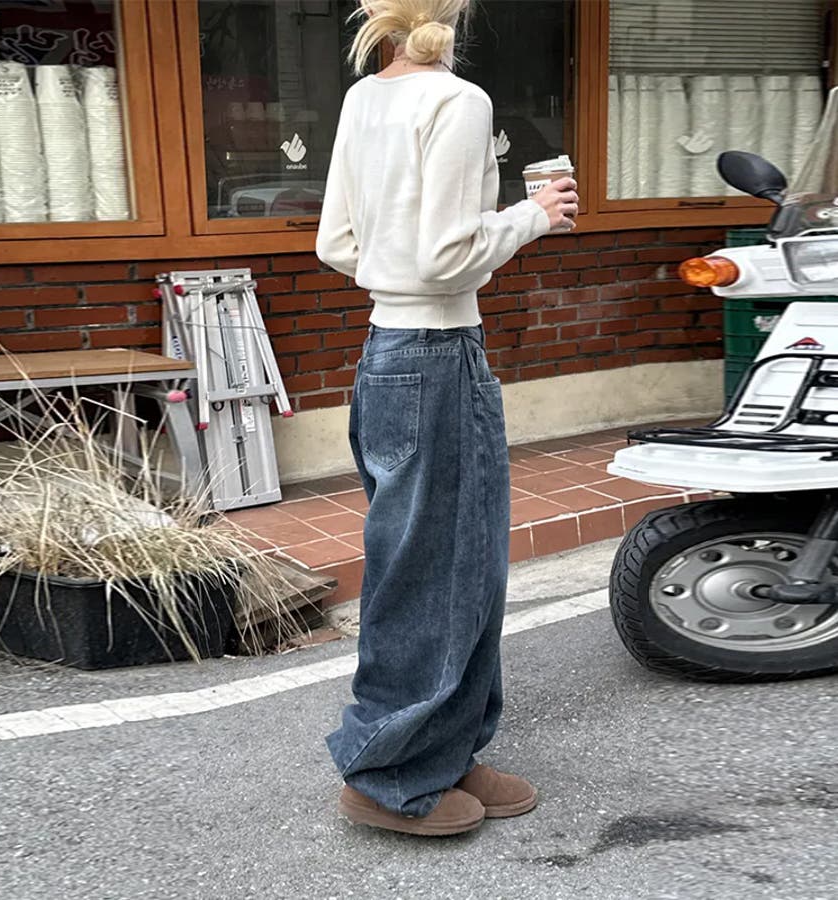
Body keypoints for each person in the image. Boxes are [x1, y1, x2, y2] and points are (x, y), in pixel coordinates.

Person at [315, 0, 578, 837]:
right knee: (443, 572)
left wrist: (396, 268)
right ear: (454, 15)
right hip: (437, 354)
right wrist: (535, 216)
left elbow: (337, 244)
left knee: (435, 568)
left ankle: (445, 751)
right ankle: (391, 776)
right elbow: (445, 256)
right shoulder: (458, 101)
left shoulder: (365, 98)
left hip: (386, 353)